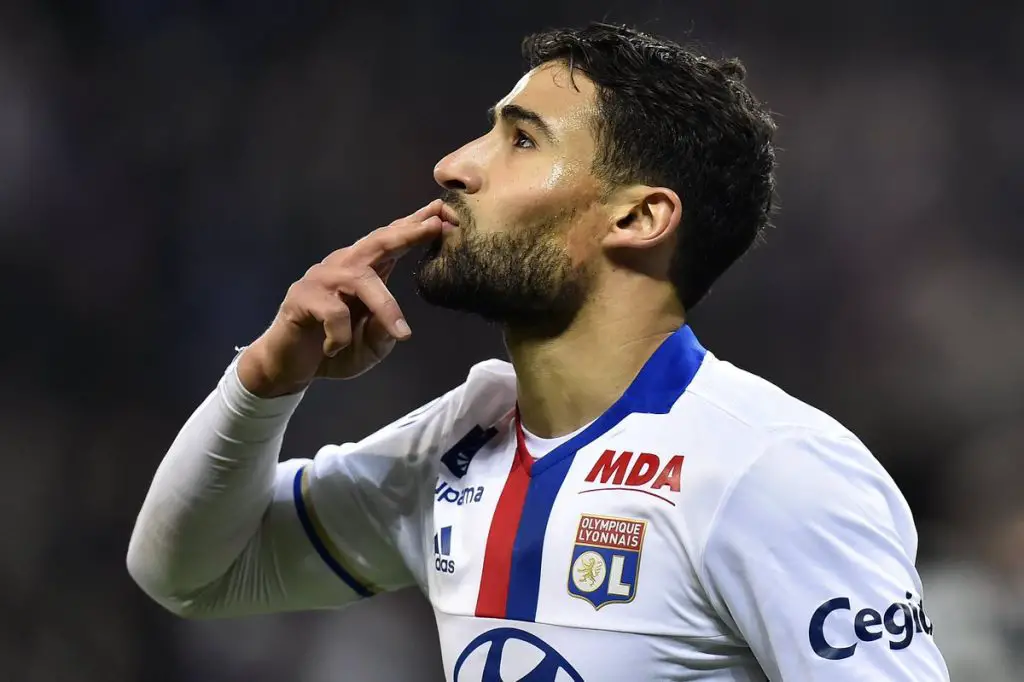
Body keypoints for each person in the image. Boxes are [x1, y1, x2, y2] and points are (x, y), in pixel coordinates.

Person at [128, 23, 950, 681]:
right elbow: (189, 575)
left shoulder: (769, 468)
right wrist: (265, 380)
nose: (454, 165)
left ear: (638, 218)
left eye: (521, 140)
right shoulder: (459, 441)